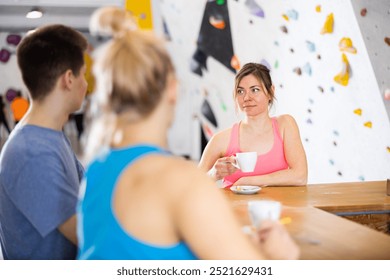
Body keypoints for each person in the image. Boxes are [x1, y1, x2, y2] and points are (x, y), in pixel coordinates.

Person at [77, 7, 299, 260]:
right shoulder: (181, 181)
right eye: (241, 91)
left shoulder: (95, 170)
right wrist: (281, 257)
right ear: (172, 89)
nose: (247, 97)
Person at [0, 24, 87, 259]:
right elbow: (87, 234)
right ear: (69, 79)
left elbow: (90, 193)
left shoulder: (51, 136)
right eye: (84, 74)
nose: (86, 85)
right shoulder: (31, 152)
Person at [198, 63, 308, 188]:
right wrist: (213, 174)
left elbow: (300, 176)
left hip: (279, 207)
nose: (246, 97)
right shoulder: (220, 140)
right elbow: (193, 186)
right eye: (240, 91)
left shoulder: (286, 125)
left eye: (255, 90)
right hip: (234, 208)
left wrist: (252, 181)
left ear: (270, 92)